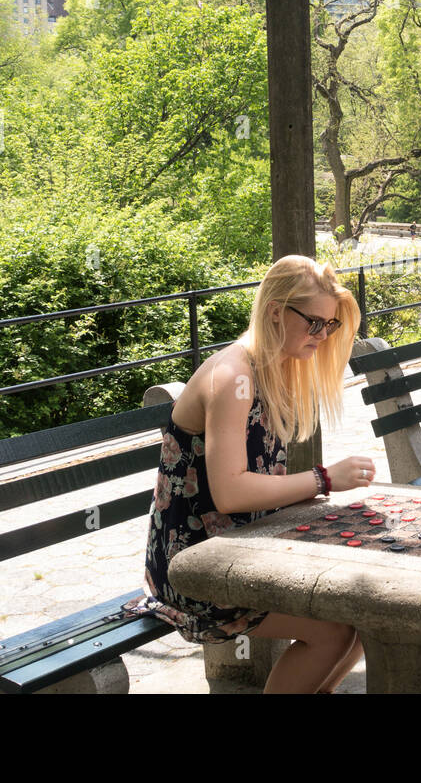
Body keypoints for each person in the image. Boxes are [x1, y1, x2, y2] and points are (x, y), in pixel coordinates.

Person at [129, 255, 375, 693]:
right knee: (335, 632)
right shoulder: (233, 375)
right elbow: (230, 491)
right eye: (314, 323)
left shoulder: (274, 368)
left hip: (238, 551)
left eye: (330, 326)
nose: (322, 336)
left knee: (357, 624)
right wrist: (323, 480)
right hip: (194, 567)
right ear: (277, 311)